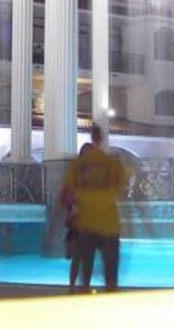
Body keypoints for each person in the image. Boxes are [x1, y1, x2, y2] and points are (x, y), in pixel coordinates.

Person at [60, 125, 131, 291]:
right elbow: (123, 191)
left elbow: (65, 197)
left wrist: (74, 205)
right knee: (111, 276)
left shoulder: (78, 166)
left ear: (91, 137)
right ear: (101, 139)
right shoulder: (112, 163)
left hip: (86, 222)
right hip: (110, 224)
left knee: (85, 271)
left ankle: (83, 292)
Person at [61, 142, 93, 292]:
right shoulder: (76, 173)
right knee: (77, 257)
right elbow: (69, 194)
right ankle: (72, 286)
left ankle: (85, 285)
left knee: (88, 257)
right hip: (78, 218)